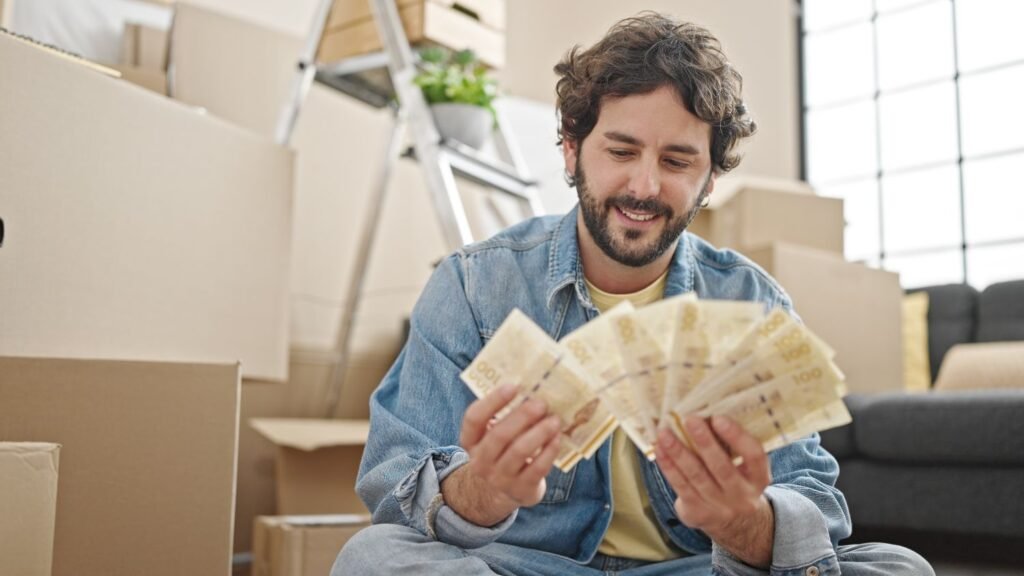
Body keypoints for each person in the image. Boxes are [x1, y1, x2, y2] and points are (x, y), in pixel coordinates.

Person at [333, 12, 934, 576]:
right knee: (374, 557)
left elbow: (815, 510)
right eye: (621, 151)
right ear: (571, 148)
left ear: (709, 178)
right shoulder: (472, 284)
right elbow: (396, 484)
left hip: (696, 566)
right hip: (523, 564)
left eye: (677, 161)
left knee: (900, 567)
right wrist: (485, 491)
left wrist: (740, 521)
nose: (644, 186)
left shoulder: (753, 303)